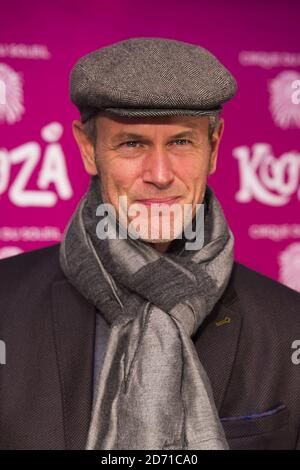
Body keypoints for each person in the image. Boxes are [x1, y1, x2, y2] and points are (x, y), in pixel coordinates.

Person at [0, 37, 300, 450]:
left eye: (181, 142)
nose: (159, 174)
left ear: (212, 148)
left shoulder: (287, 323)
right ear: (89, 150)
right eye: (132, 143)